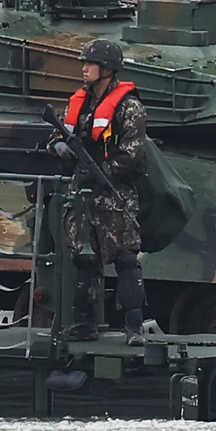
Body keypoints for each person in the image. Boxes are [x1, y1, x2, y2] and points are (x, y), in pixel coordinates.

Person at [55, 38, 151, 339]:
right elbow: (60, 132)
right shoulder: (79, 103)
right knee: (84, 260)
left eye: (90, 63)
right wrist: (57, 147)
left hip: (114, 195)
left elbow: (133, 151)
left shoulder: (129, 107)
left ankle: (134, 326)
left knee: (125, 260)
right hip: (83, 197)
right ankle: (84, 323)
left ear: (107, 69)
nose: (84, 68)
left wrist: (100, 172)